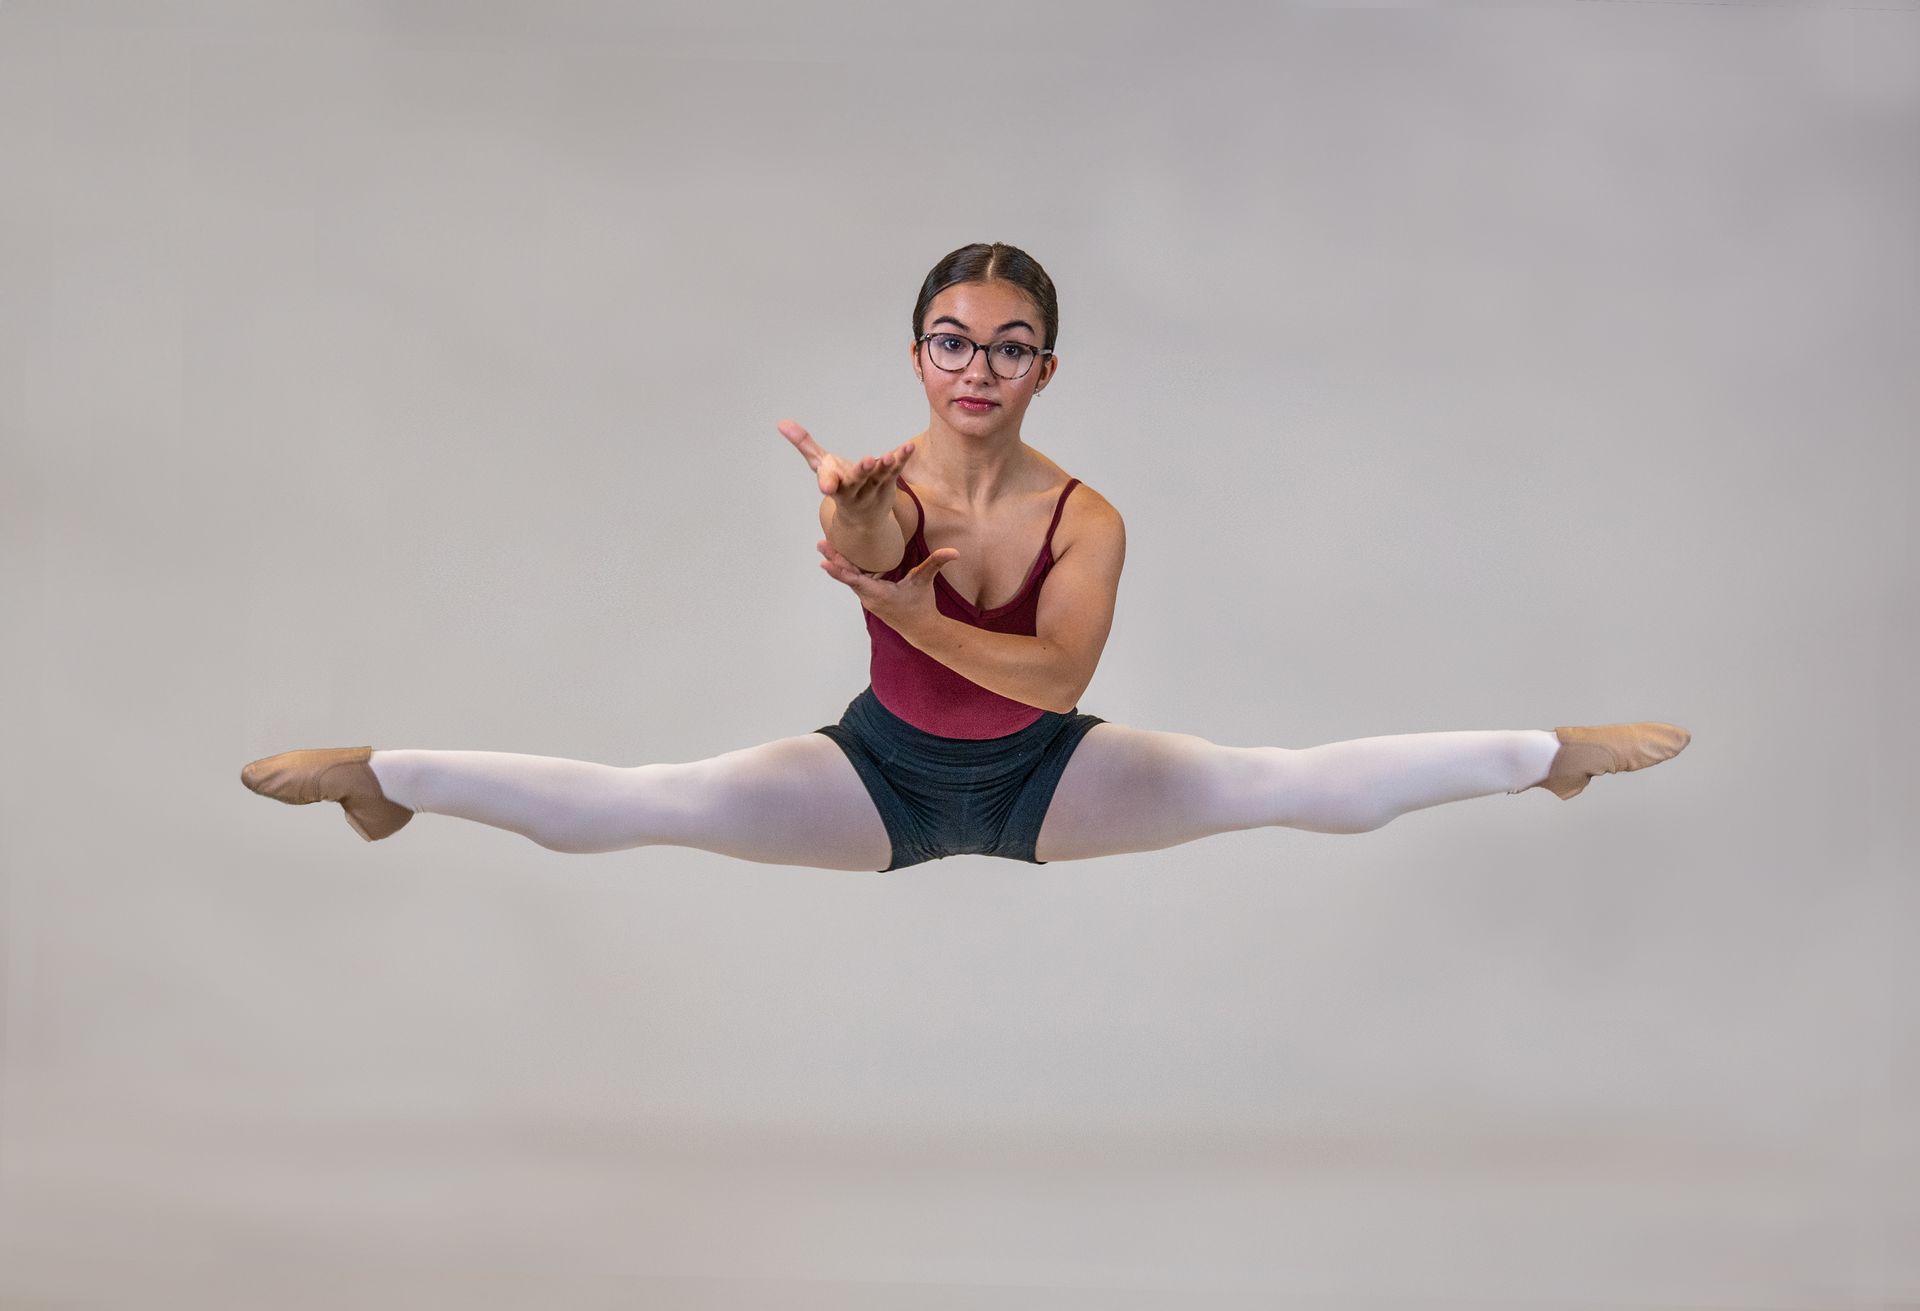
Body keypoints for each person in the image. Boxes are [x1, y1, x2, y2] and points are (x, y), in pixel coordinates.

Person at [241, 242, 1689, 871]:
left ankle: (1547, 756)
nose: (975, 368)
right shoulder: (885, 487)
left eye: (1007, 347)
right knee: (646, 804)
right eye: (951, 342)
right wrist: (856, 524)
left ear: (1044, 369)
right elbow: (867, 544)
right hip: (877, 776)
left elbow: (1054, 680)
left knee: (1284, 785)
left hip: (1049, 776)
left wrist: (906, 606)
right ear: (918, 356)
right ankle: (385, 782)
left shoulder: (1085, 516)